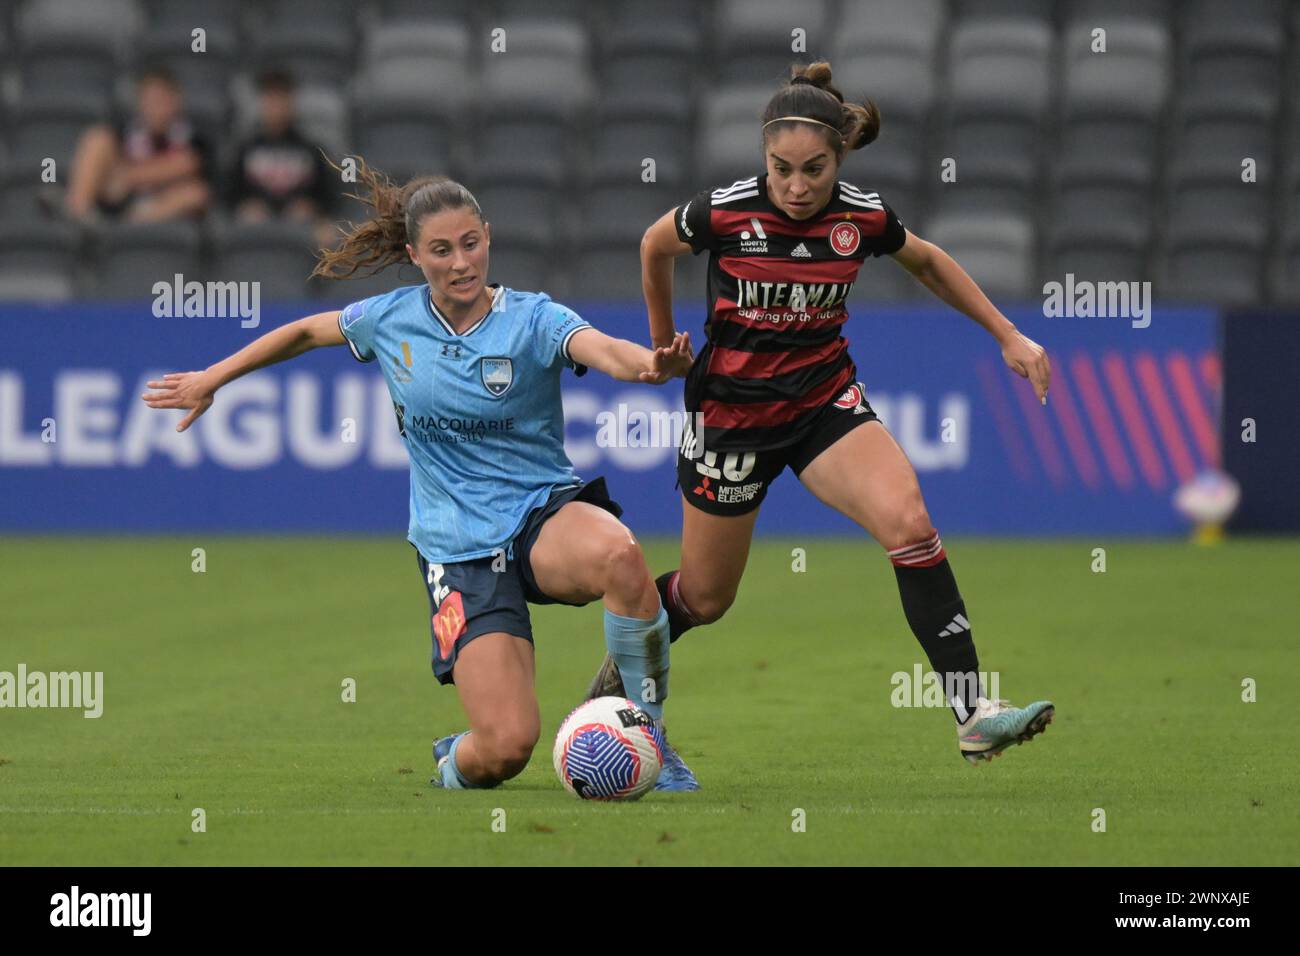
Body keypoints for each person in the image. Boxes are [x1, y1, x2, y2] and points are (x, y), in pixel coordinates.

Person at [140, 161, 701, 790]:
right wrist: (211, 379)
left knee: (621, 557)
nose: (461, 263)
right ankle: (455, 758)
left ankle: (650, 734)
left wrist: (652, 367)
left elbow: (601, 349)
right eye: (441, 250)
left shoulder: (533, 318)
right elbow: (302, 331)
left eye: (470, 244)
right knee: (506, 748)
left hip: (540, 512)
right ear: (414, 254)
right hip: (456, 547)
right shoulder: (390, 320)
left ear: (488, 236)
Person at [583, 62, 1055, 769]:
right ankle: (613, 687)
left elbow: (926, 262)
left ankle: (973, 713)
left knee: (911, 524)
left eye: (815, 169)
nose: (798, 187)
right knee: (706, 598)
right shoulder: (725, 212)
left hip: (822, 403)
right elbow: (654, 246)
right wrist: (661, 346)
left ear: (840, 157)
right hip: (732, 417)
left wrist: (1007, 334)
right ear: (763, 159)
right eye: (782, 170)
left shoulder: (861, 216)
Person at [64, 66, 211, 223]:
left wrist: (129, 178)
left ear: (176, 100)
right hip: (120, 200)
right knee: (97, 139)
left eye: (160, 100)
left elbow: (186, 165)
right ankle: (77, 213)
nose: (154, 109)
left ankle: (128, 224)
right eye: (148, 101)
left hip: (159, 206)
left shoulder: (194, 137)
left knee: (194, 194)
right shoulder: (125, 133)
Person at [226, 70, 337, 245]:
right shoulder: (245, 148)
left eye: (281, 99)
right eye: (271, 99)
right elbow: (228, 194)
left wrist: (314, 209)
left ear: (292, 102)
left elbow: (329, 195)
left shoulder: (311, 149)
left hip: (303, 229)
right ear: (261, 102)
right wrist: (243, 207)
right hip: (254, 228)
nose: (276, 107)